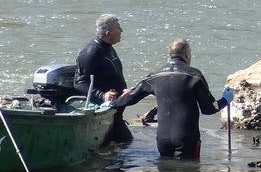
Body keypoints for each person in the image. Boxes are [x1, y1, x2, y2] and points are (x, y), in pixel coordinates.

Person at [114, 39, 218, 160]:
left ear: (170, 54)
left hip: (162, 139)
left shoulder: (155, 75)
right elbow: (209, 109)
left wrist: (114, 102)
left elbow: (130, 98)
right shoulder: (194, 75)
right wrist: (226, 99)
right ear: (186, 54)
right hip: (186, 138)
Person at [75, 13, 133, 142]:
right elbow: (80, 83)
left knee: (123, 145)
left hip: (115, 111)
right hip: (103, 114)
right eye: (118, 28)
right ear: (108, 33)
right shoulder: (92, 52)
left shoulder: (108, 48)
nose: (122, 30)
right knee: (126, 143)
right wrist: (102, 95)